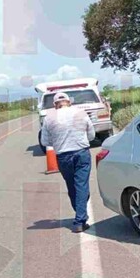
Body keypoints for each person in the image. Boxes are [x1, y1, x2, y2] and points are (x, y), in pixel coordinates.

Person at [40, 92, 96, 233]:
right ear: (69, 102)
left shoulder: (49, 118)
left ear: (55, 105)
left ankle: (80, 216)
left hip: (63, 156)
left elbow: (45, 141)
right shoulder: (81, 113)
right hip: (81, 152)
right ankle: (80, 220)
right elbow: (92, 135)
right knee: (81, 186)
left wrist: (59, 141)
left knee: (72, 187)